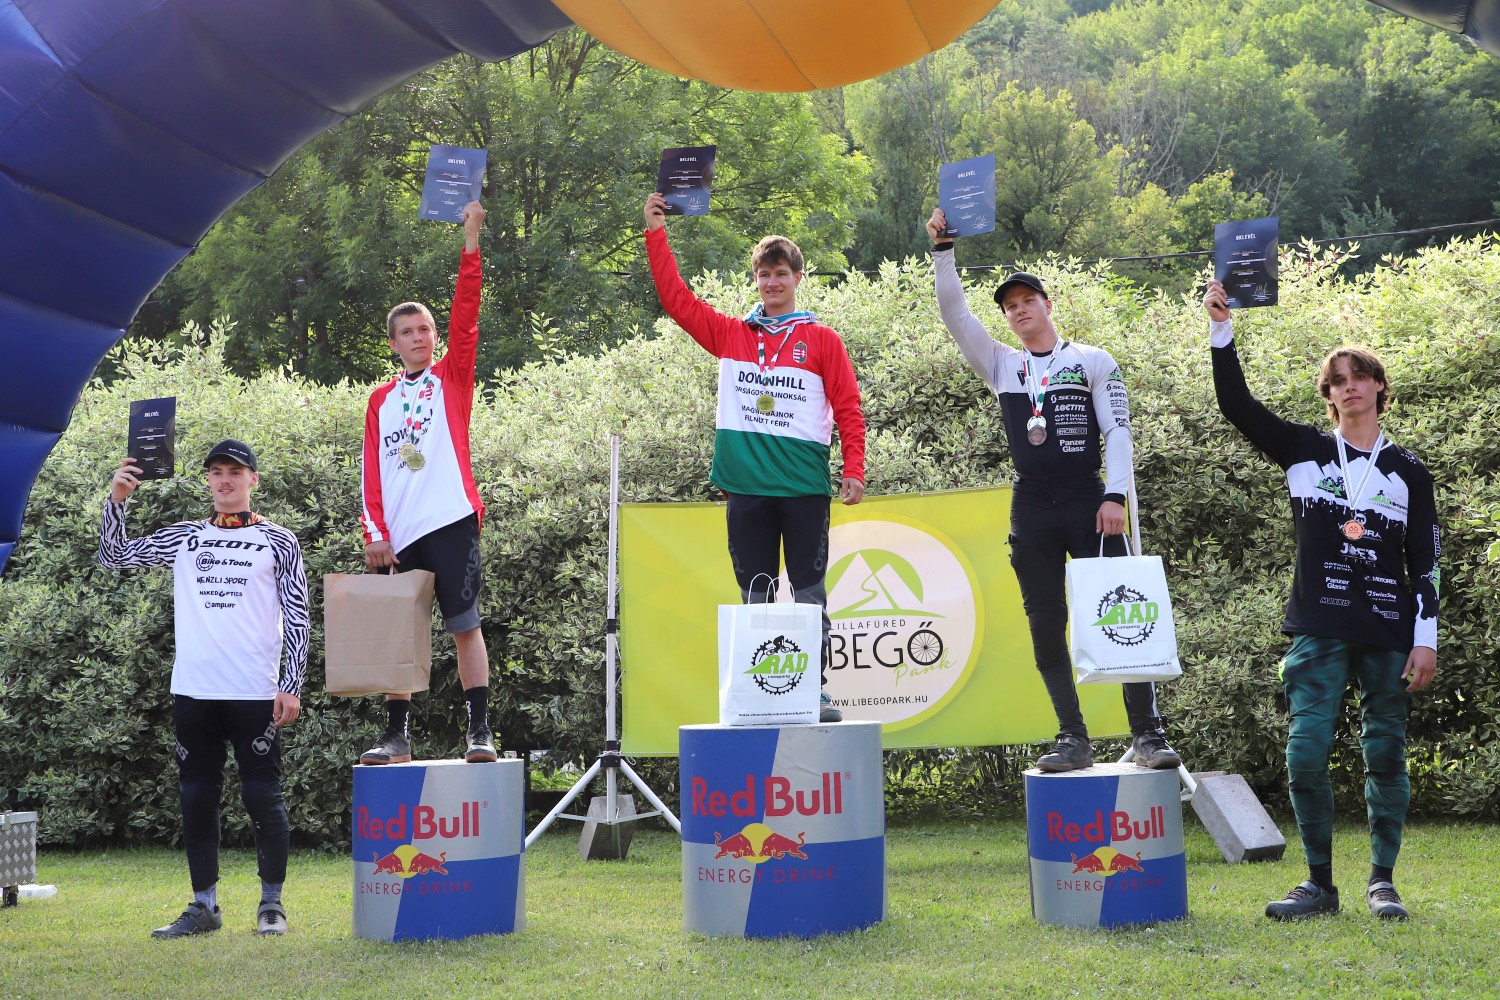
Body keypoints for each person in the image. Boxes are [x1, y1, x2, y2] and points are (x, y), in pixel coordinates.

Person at [1203, 279, 1439, 922]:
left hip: (1389, 630)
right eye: (1337, 381)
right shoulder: (1303, 450)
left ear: (1379, 387)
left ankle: (1383, 882)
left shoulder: (1410, 471)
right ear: (1328, 395)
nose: (1349, 387)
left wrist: (1426, 639)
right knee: (1305, 754)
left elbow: (1426, 562)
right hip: (1319, 625)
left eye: (1359, 376)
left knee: (1385, 755)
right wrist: (1222, 328)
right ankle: (1319, 885)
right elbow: (1235, 404)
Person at [926, 208, 1180, 772]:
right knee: (1045, 621)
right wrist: (943, 251)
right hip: (1033, 503)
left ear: (1048, 304)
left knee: (1123, 612)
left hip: (1089, 498)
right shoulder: (1001, 364)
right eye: (1010, 306)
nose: (1019, 311)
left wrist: (1115, 496)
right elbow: (954, 314)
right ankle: (1072, 737)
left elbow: (1118, 430)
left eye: (1028, 301)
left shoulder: (1092, 360)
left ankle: (1148, 735)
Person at [643, 191, 866, 723]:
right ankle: (763, 691)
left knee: (809, 594)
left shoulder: (821, 339)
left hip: (803, 487)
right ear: (756, 280)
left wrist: (854, 468)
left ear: (798, 278)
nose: (772, 283)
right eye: (764, 275)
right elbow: (677, 300)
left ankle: (814, 690)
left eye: (781, 274)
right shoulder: (730, 334)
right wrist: (656, 232)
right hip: (745, 488)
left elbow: (848, 406)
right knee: (756, 595)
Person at [99, 439, 308, 938]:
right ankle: (203, 907)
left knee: (262, 794)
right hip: (194, 689)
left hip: (255, 689)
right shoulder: (185, 536)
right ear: (208, 480)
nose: (224, 480)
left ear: (253, 479)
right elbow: (114, 556)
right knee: (196, 795)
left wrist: (291, 683)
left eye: (235, 471)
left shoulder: (279, 540)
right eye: (216, 471)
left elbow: (299, 614)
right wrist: (117, 501)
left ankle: (271, 905)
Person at [359, 200, 496, 766]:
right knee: (400, 637)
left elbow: (467, 312)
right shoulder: (380, 401)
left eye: (425, 330)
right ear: (393, 343)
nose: (419, 338)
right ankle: (396, 737)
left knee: (466, 628)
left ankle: (479, 732)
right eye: (407, 333)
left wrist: (471, 240)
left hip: (451, 521)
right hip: (400, 536)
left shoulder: (452, 378)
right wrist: (375, 532)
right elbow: (371, 472)